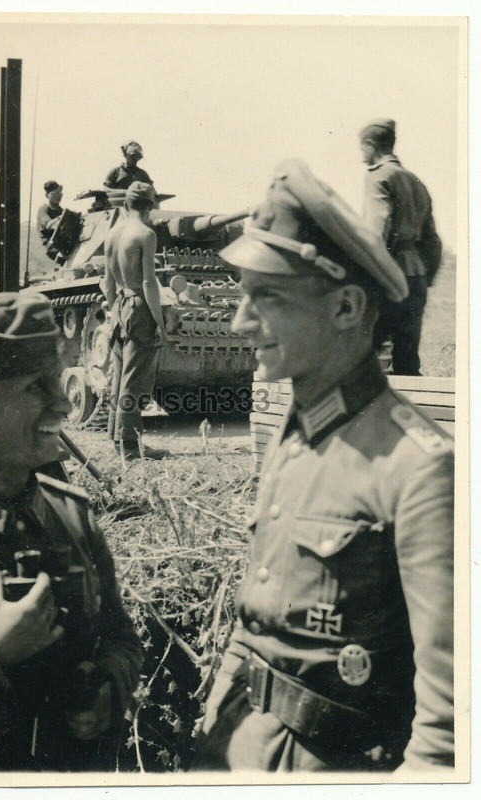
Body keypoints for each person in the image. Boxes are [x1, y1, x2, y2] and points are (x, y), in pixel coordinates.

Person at [193, 159, 454, 773]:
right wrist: (213, 725)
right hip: (238, 746)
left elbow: (447, 733)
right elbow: (256, 619)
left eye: (268, 298)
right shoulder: (297, 429)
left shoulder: (417, 470)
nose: (239, 322)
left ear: (345, 309)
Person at [0, 292, 142, 771]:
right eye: (34, 387)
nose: (65, 404)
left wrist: (109, 686)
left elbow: (121, 635)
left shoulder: (72, 516)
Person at [360, 119, 443, 375]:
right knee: (407, 362)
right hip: (415, 278)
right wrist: (425, 278)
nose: (362, 156)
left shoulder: (378, 176)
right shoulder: (417, 182)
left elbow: (378, 229)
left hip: (387, 277)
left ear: (371, 145)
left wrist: (371, 276)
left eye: (362, 148)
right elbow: (433, 240)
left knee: (358, 357)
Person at [103, 182, 168, 461]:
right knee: (134, 379)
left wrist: (115, 312)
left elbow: (106, 283)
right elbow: (148, 282)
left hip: (119, 305)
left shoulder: (112, 235)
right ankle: (131, 448)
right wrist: (160, 323)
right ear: (151, 206)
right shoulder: (146, 234)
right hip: (139, 306)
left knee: (119, 377)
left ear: (126, 204)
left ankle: (118, 442)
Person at [37, 180, 64, 259]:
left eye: (59, 193)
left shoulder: (61, 211)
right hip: (53, 247)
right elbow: (48, 225)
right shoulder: (43, 209)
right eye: (53, 193)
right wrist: (61, 219)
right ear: (47, 195)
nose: (57, 196)